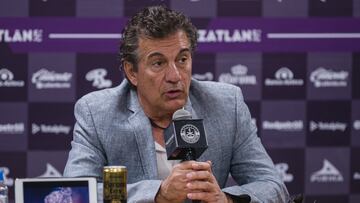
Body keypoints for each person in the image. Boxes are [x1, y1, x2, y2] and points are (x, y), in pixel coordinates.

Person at [64, 5, 289, 203]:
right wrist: (158, 194)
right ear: (132, 72)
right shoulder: (97, 112)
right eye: (158, 63)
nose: (175, 76)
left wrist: (226, 199)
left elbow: (272, 185)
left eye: (182, 59)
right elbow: (75, 194)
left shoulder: (227, 104)